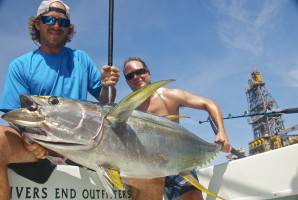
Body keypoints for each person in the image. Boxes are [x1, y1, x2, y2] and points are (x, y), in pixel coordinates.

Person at [0, 1, 120, 200]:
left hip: (83, 145)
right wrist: (28, 139)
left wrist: (108, 85)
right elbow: (14, 115)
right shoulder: (20, 65)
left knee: (151, 177)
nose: (56, 26)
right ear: (38, 24)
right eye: (49, 19)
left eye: (62, 22)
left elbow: (105, 99)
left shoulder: (81, 58)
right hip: (39, 146)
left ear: (68, 28)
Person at [122, 57, 231, 200]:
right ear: (127, 81)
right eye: (130, 76)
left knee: (194, 197)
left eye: (140, 72)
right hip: (147, 166)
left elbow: (209, 104)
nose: (136, 77)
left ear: (148, 73)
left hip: (177, 160)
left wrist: (222, 132)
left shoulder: (170, 96)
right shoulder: (127, 108)